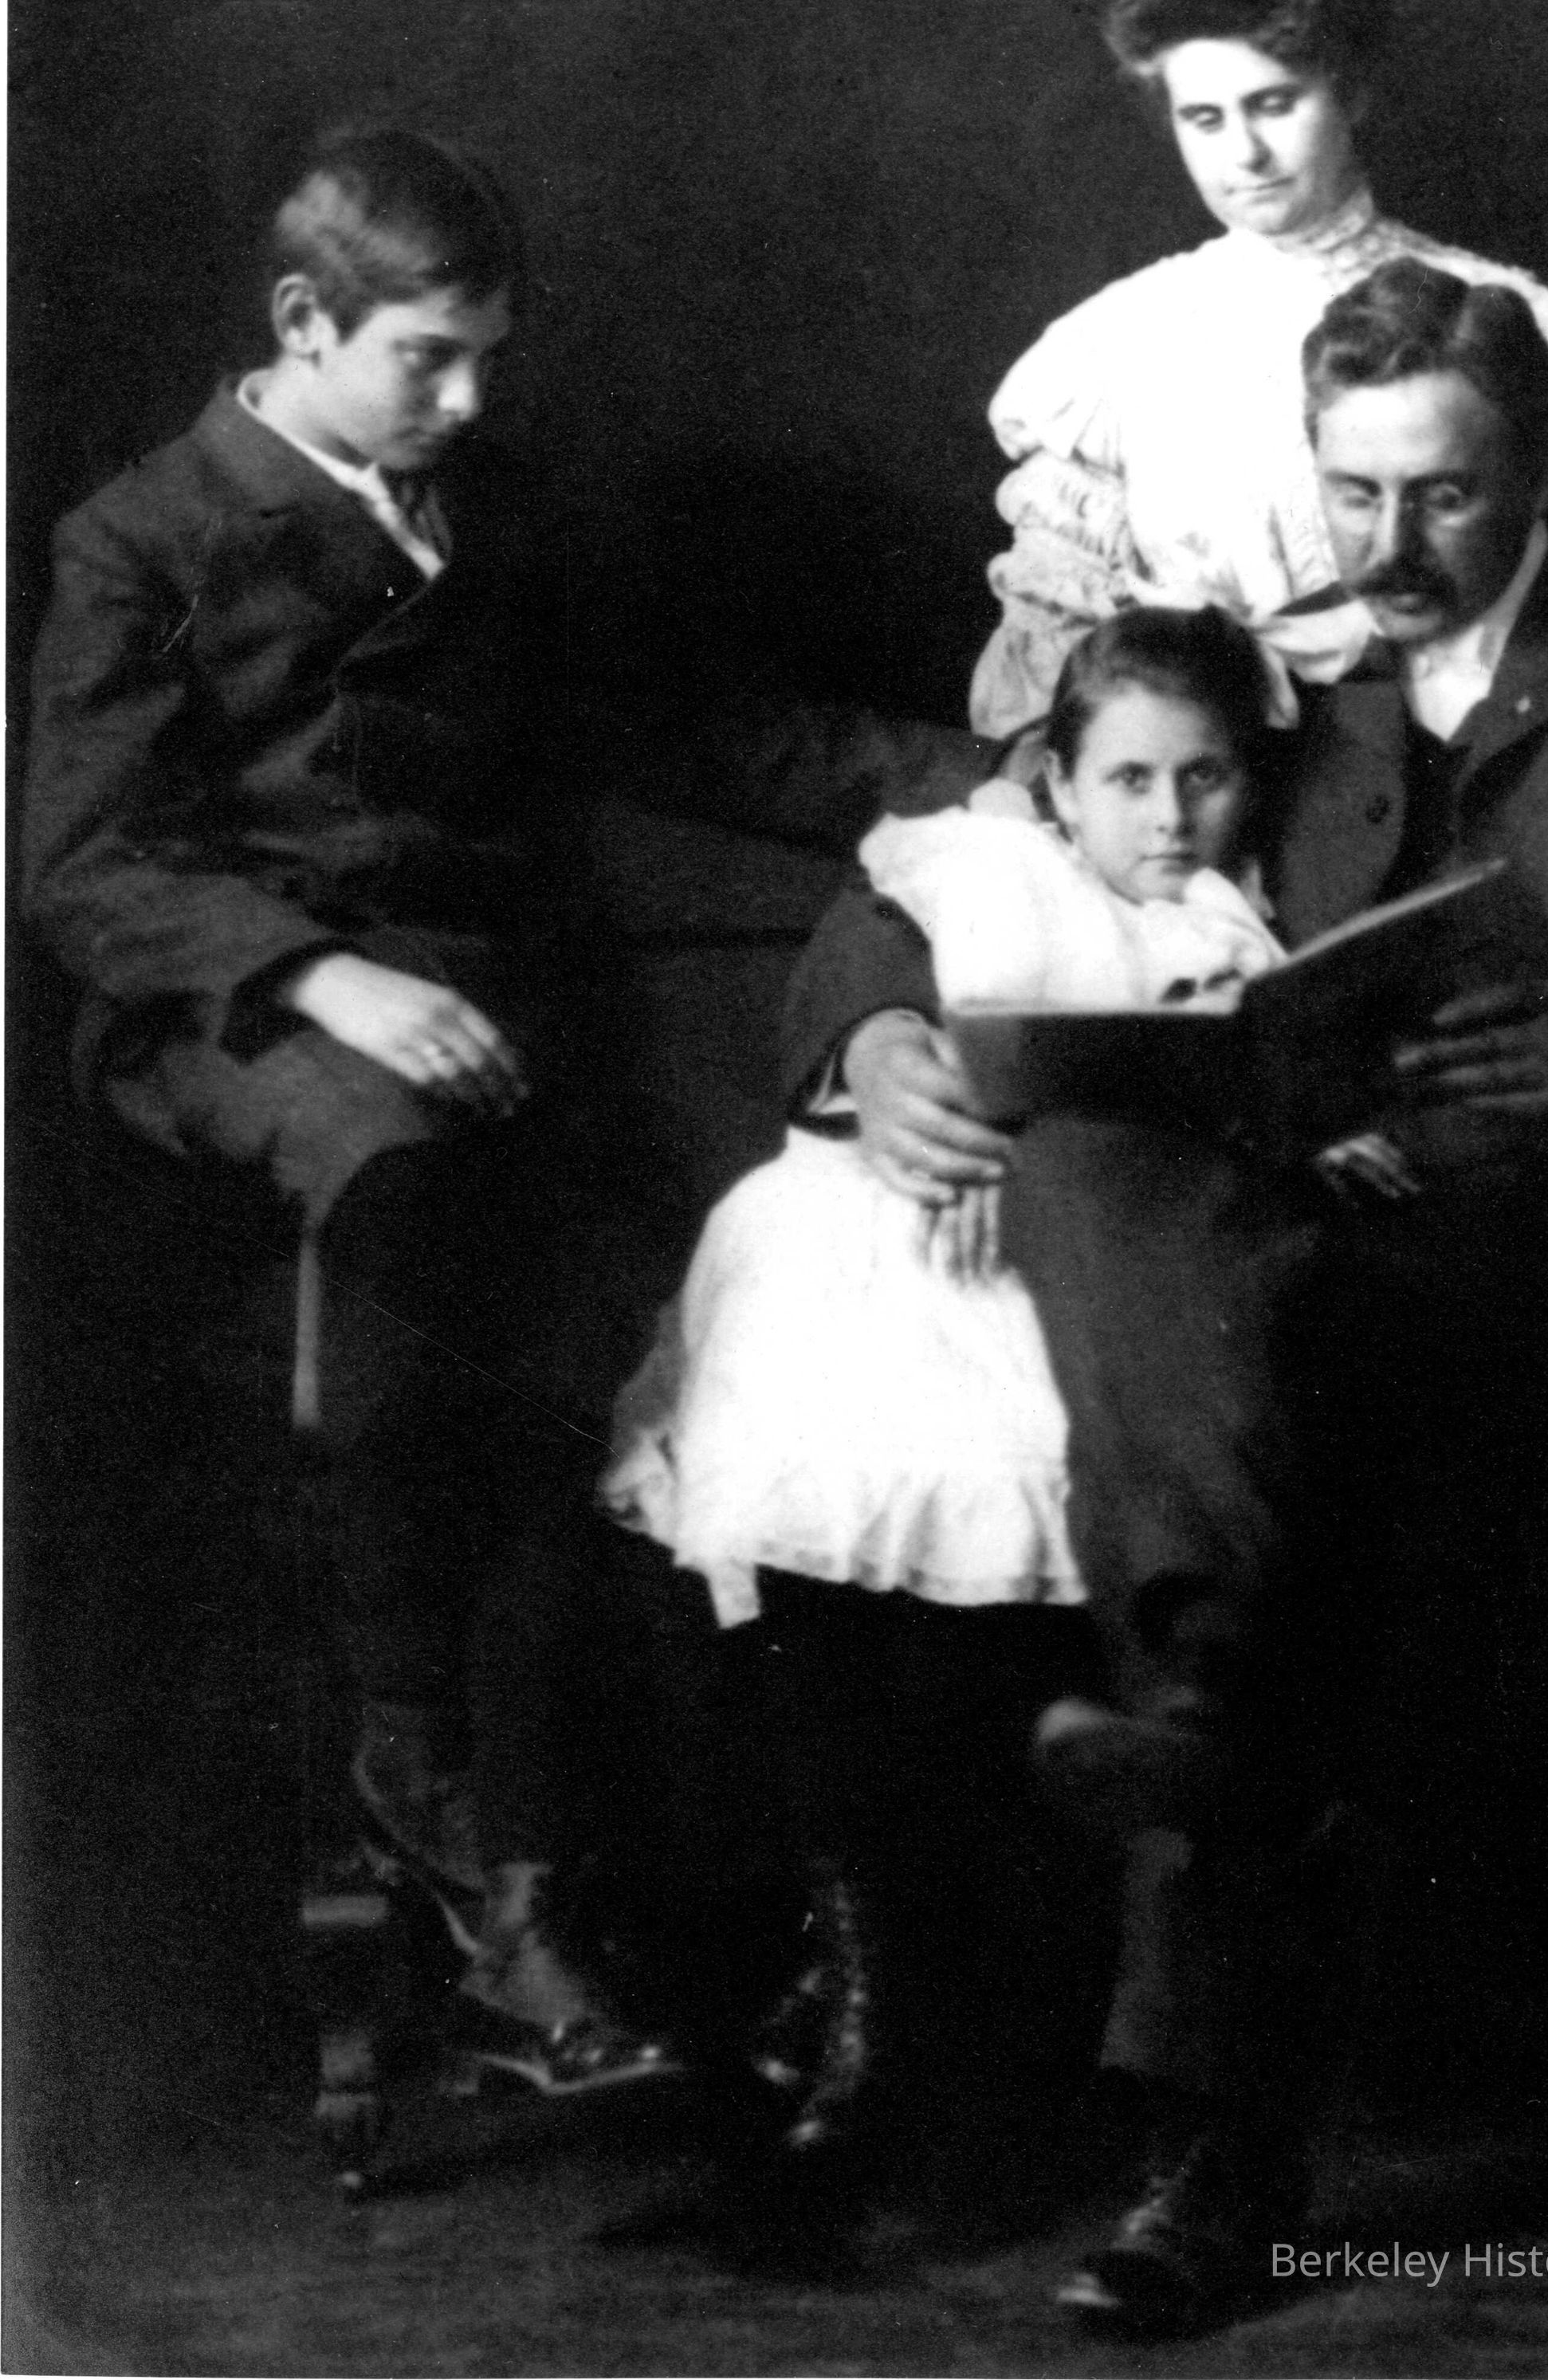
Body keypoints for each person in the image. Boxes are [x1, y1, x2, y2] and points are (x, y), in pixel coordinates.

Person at [781, 257, 1548, 2331]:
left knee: (1248, 1475)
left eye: (1443, 496)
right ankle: (1211, 2121)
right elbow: (980, 827)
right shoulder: (1282, 697)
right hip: (1322, 1274)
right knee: (1120, 1204)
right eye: (1352, 491)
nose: (1390, 543)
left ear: (1538, 468)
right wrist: (874, 1028)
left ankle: (1203, 1875)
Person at [21, 127, 992, 2097]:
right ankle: (437, 1802)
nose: (469, 402)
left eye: (489, 360)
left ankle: (541, 1877)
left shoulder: (492, 516)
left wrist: (984, 770)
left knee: (610, 1341)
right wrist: (319, 973)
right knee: (418, 1189)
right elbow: (85, 863)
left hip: (479, 1004)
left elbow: (693, 730)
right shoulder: (147, 535)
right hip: (237, 1008)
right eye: (429, 360)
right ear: (303, 322)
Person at [601, 606, 1289, 2168]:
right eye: (1129, 781)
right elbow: (903, 972)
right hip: (896, 1233)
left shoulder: (1238, 918)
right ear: (1060, 780)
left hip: (1086, 1265)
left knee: (1029, 1528)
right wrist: (916, 1064)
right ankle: (868, 1975)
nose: (1167, 818)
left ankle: (997, 2013)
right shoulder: (980, 860)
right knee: (842, 1501)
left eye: (1204, 779)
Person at [971, 0, 1548, 739]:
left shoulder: (1511, 321)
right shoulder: (1110, 349)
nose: (1245, 153)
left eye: (1274, 105)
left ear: (1351, 94)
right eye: (1205, 119)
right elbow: (1056, 643)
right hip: (1200, 777)